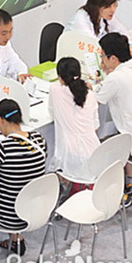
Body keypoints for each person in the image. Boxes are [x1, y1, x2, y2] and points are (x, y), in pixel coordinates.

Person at [93, 32, 132, 207]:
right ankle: (131, 181)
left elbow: (95, 99)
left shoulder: (115, 79)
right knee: (125, 130)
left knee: (102, 143)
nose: (101, 61)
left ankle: (119, 192)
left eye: (102, 56)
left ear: (112, 58)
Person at [0, 99, 46, 256]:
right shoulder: (40, 140)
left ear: (0, 119)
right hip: (34, 210)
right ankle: (16, 240)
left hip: (6, 216)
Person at [48, 57, 100, 187]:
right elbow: (95, 127)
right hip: (94, 153)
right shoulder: (90, 95)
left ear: (60, 77)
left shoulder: (55, 91)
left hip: (69, 156)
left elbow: (52, 114)